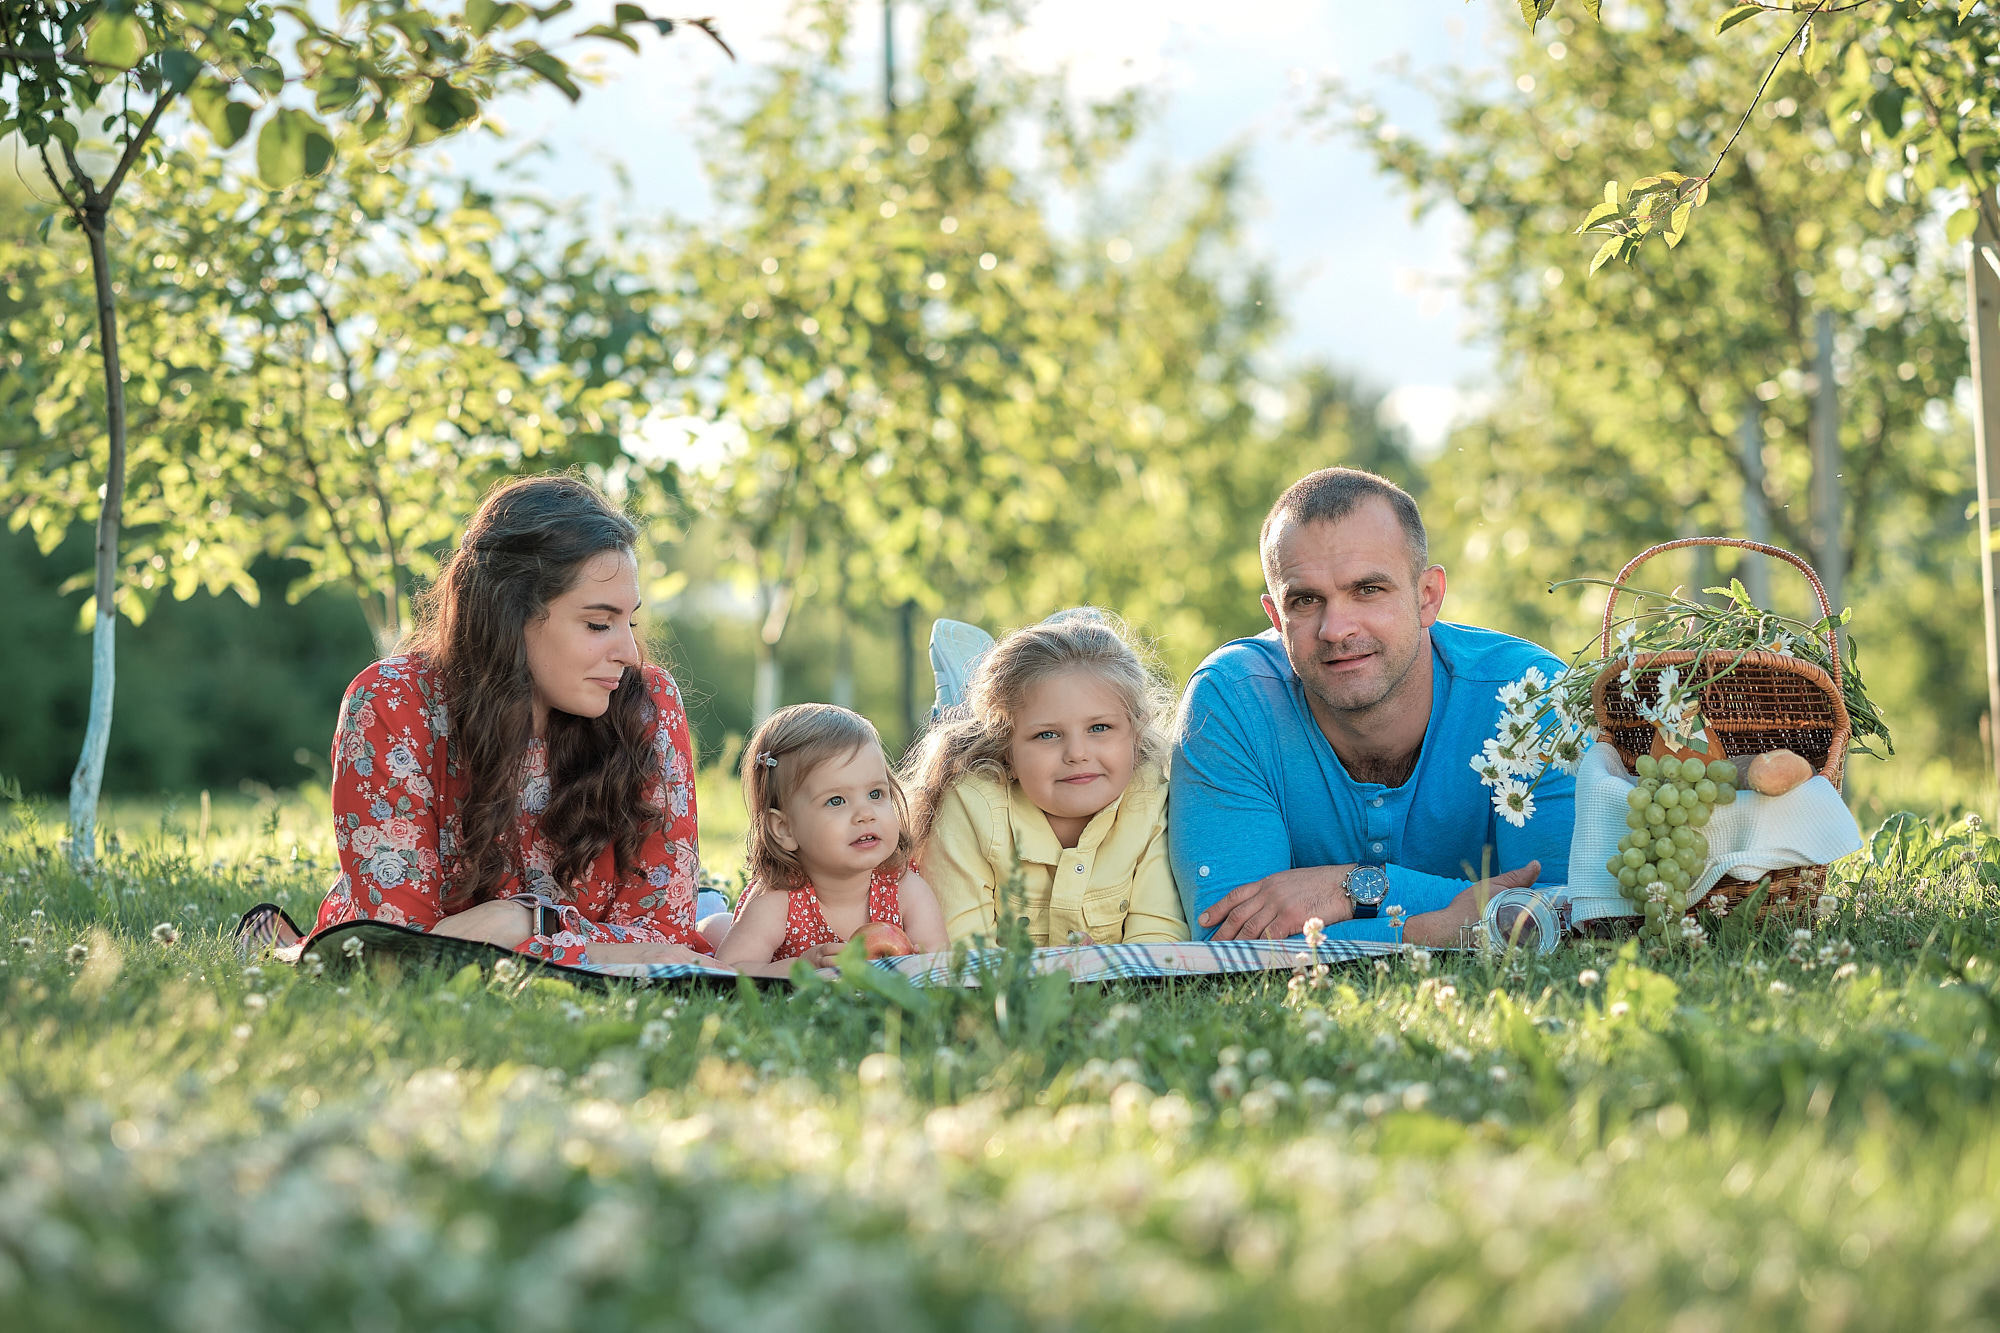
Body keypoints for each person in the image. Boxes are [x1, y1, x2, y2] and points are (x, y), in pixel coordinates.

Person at [304, 474, 725, 969]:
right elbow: (402, 949)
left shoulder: (645, 704)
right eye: (597, 624)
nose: (629, 653)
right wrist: (589, 942)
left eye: (628, 621)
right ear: (510, 613)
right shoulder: (393, 703)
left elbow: (661, 937)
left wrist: (522, 921)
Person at [1170, 467, 1575, 945]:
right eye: (1305, 600)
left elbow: (1571, 913)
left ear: (1428, 597)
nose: (1336, 628)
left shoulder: (1530, 697)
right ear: (1276, 617)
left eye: (1368, 590)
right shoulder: (1231, 702)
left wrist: (1353, 890)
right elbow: (1237, 944)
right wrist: (1441, 928)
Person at [907, 610, 1189, 947]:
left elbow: (1160, 937)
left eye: (1099, 728)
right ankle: (959, 702)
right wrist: (1060, 974)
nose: (1077, 753)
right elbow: (963, 948)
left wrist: (1098, 970)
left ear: (1136, 733)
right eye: (1047, 735)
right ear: (1007, 749)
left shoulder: (1151, 800)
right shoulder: (970, 805)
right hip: (1014, 991)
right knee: (961, 727)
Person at [717, 704, 948, 970]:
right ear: (785, 829)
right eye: (836, 800)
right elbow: (729, 969)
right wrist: (799, 969)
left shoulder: (904, 888)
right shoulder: (779, 898)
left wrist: (915, 963)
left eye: (875, 794)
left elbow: (941, 965)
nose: (865, 814)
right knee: (716, 930)